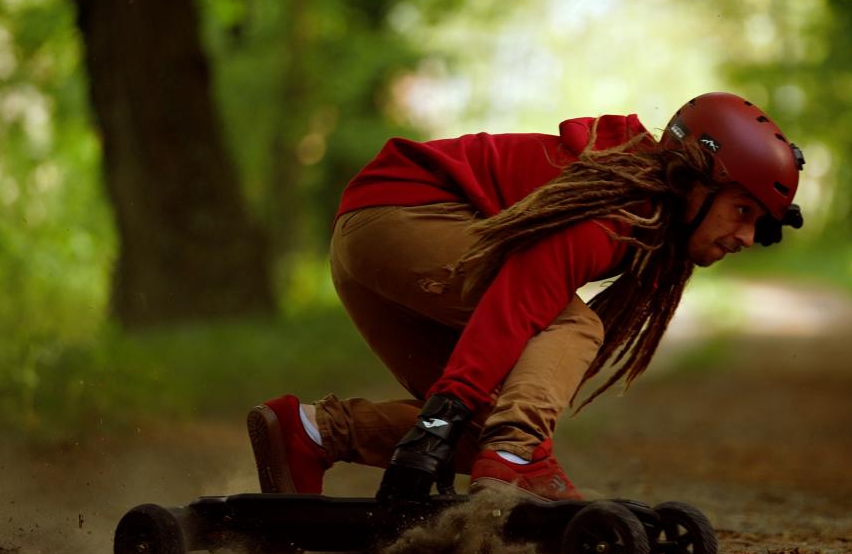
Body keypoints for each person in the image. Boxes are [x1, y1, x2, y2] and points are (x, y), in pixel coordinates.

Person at [246, 91, 805, 503]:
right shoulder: (620, 208)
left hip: (369, 238)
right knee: (573, 328)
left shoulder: (643, 216)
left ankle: (311, 432)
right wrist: (443, 415)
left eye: (760, 224)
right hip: (403, 215)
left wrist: (450, 422)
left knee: (482, 427)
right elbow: (520, 299)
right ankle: (517, 455)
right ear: (696, 182)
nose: (747, 238)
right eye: (742, 212)